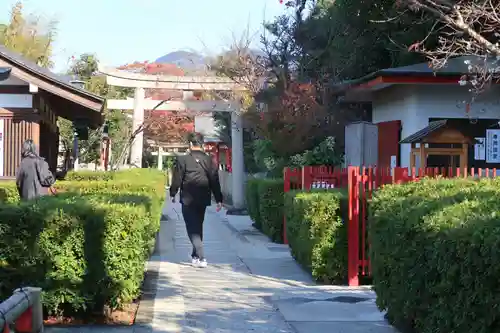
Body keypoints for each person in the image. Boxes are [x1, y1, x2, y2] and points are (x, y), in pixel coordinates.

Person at [169, 132, 223, 268]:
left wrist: (173, 192)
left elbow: (177, 179)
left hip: (188, 198)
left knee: (191, 228)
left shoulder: (183, 160)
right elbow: (214, 180)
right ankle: (195, 256)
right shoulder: (209, 160)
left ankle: (202, 257)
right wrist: (219, 199)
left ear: (190, 144)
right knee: (198, 226)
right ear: (202, 144)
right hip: (203, 198)